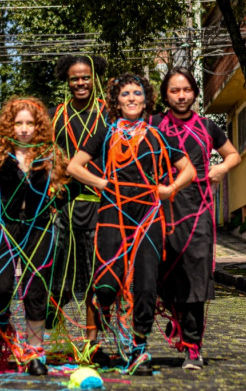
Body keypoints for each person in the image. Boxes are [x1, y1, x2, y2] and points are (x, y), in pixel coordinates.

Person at [68, 73, 196, 376]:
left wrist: (170, 189)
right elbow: (74, 166)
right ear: (117, 101)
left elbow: (188, 169)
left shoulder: (156, 136)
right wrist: (101, 182)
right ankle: (93, 340)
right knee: (107, 285)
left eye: (137, 93)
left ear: (146, 98)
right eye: (125, 94)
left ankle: (139, 348)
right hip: (113, 212)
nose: (132, 99)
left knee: (147, 283)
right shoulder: (107, 133)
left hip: (148, 215)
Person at [151, 66, 241, 371]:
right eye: (174, 90)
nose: (181, 95)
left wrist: (221, 169)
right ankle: (176, 319)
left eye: (186, 90)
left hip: (199, 208)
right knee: (161, 274)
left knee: (196, 280)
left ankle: (192, 347)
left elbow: (233, 154)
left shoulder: (207, 127)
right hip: (161, 206)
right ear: (165, 94)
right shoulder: (153, 125)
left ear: (195, 93)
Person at [0, 97, 71, 376]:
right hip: (7, 226)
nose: (25, 128)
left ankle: (34, 352)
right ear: (9, 125)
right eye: (19, 123)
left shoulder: (50, 155)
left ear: (38, 125)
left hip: (39, 227)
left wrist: (56, 199)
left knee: (35, 291)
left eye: (30, 123)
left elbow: (63, 189)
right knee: (0, 287)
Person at [48, 55, 109, 358]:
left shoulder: (109, 114)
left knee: (95, 281)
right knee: (57, 279)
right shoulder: (56, 115)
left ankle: (92, 344)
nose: (80, 83)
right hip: (62, 208)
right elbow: (42, 152)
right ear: (67, 81)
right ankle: (55, 337)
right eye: (74, 78)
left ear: (94, 78)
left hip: (101, 207)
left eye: (85, 77)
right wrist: (51, 180)